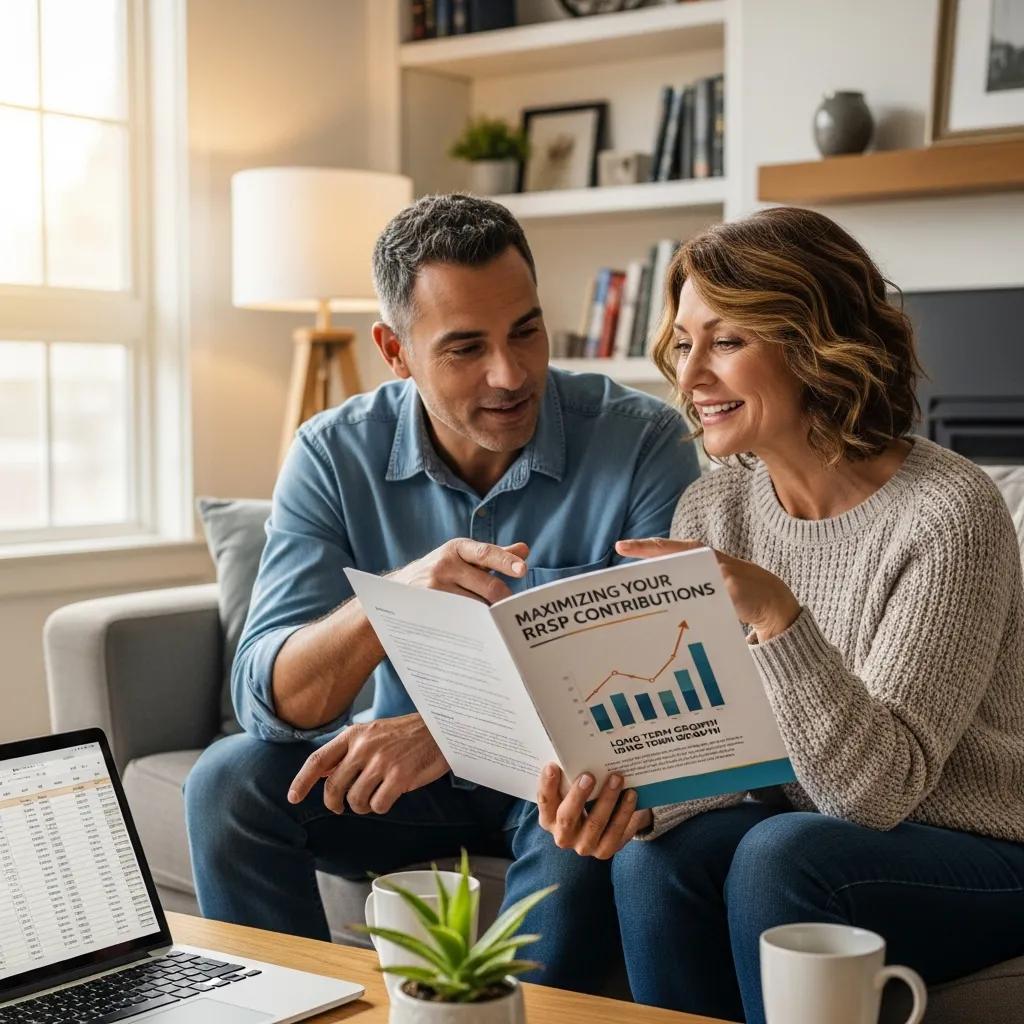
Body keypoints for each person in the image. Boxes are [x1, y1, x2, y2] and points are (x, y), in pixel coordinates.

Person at [183, 193, 699, 992]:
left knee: (589, 811)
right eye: (465, 348)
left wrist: (451, 730)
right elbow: (270, 696)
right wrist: (396, 598)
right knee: (228, 781)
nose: (511, 373)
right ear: (396, 350)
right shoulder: (331, 452)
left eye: (526, 329)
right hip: (398, 787)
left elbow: (668, 677)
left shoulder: (643, 442)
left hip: (555, 773)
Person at [533, 206, 1024, 1022]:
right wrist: (636, 802)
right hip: (813, 831)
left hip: (987, 851)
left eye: (726, 342)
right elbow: (729, 751)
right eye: (685, 343)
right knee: (653, 860)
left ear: (815, 342)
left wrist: (775, 615)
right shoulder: (714, 508)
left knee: (778, 853)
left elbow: (878, 794)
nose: (690, 377)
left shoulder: (948, 514)